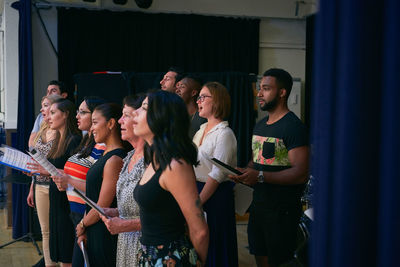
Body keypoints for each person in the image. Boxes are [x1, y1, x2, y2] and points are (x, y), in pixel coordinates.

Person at [230, 68, 310, 267]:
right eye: (259, 89)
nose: (259, 94)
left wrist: (260, 176)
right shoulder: (261, 124)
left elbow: (301, 173)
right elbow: (256, 162)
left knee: (280, 262)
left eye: (266, 89)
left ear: (282, 92)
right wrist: (242, 172)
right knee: (260, 257)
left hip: (282, 212)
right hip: (258, 207)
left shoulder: (293, 127)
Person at [133, 90, 209, 266]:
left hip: (170, 257)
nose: (136, 112)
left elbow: (200, 230)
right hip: (149, 255)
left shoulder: (175, 165)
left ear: (161, 117)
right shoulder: (154, 160)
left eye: (144, 108)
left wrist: (197, 263)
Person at [52, 96, 106, 267]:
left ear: (97, 116)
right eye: (78, 112)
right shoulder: (86, 142)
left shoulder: (103, 147)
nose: (77, 116)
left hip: (88, 215)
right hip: (75, 212)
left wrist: (68, 179)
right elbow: (77, 177)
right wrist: (63, 179)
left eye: (82, 112)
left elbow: (97, 188)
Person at [30, 98, 82, 267]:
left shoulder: (73, 140)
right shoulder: (58, 139)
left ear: (65, 115)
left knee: (65, 244)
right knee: (53, 238)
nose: (48, 117)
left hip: (65, 198)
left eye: (53, 113)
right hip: (54, 192)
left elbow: (71, 173)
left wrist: (44, 170)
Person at [193, 81, 238, 267]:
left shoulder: (225, 134)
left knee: (216, 245)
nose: (198, 101)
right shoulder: (201, 129)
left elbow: (217, 175)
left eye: (203, 97)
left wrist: (197, 204)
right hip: (197, 190)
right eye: (198, 98)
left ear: (217, 101)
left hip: (215, 195)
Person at [75, 103, 127, 267]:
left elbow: (102, 206)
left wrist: (83, 224)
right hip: (94, 228)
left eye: (95, 122)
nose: (92, 128)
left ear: (111, 124)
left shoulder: (115, 159)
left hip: (104, 231)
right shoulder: (106, 154)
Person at [99, 94, 146, 267]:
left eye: (126, 115)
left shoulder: (153, 161)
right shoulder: (129, 157)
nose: (119, 121)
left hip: (144, 244)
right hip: (125, 241)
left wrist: (127, 224)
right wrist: (117, 212)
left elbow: (165, 215)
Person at [26, 94, 62, 267]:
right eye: (42, 106)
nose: (42, 110)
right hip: (39, 184)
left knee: (58, 231)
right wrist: (32, 186)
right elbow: (36, 160)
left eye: (46, 105)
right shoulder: (42, 127)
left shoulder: (62, 131)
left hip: (55, 186)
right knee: (45, 231)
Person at [29, 81, 68, 148]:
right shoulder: (40, 117)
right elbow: (32, 140)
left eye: (53, 91)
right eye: (47, 91)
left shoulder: (71, 117)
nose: (49, 94)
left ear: (63, 96)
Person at [175, 75, 207, 139]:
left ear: (193, 93)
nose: (177, 90)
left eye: (182, 87)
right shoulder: (176, 115)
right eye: (177, 87)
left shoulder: (202, 118)